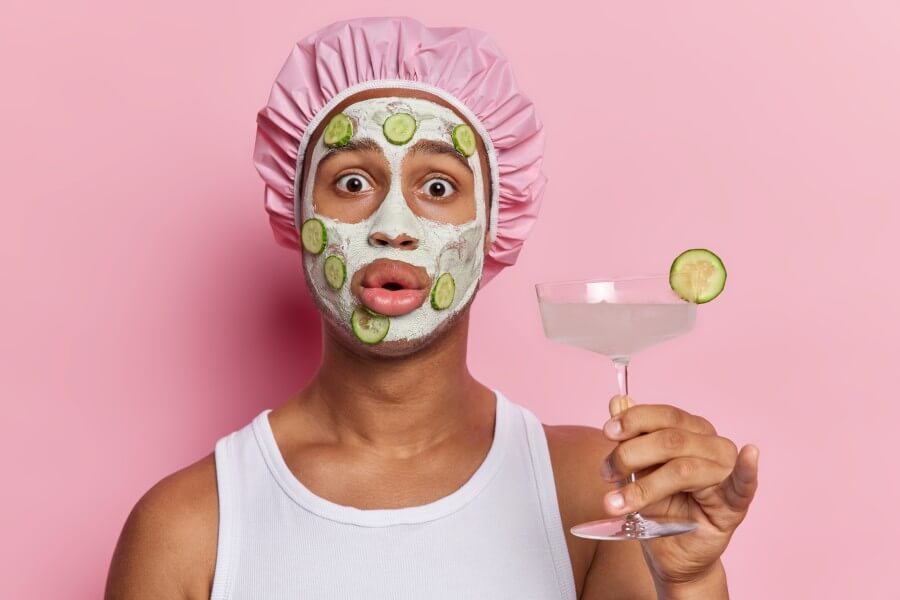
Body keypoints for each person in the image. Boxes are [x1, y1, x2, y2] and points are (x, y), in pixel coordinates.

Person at [105, 16, 759, 599]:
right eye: (352, 182)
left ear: (494, 222)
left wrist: (693, 579)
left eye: (439, 186)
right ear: (296, 209)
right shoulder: (187, 528)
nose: (395, 225)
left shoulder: (594, 491)